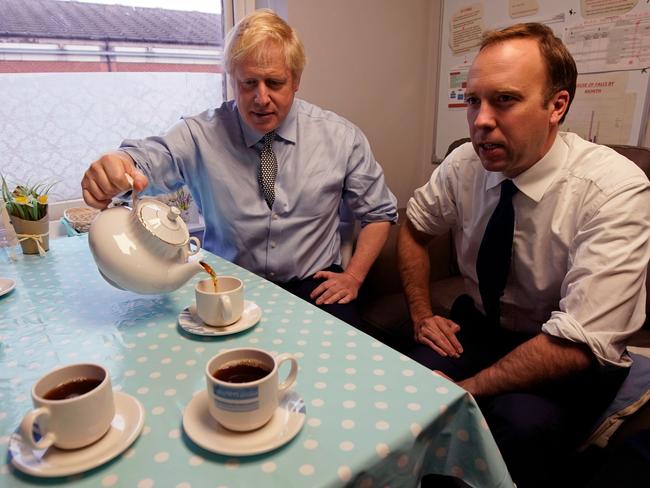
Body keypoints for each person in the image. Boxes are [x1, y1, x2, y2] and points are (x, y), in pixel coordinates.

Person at [398, 22, 650, 487]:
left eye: (505, 100)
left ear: (557, 105)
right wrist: (419, 312)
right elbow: (414, 228)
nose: (480, 121)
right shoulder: (464, 164)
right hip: (484, 324)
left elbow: (577, 341)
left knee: (517, 424)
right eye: (473, 100)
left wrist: (467, 390)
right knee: (406, 383)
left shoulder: (615, 189)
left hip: (568, 352)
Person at [81, 9, 397, 328]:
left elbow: (379, 213)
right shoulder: (199, 134)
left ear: (297, 80)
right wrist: (119, 166)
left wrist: (354, 276)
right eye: (248, 83)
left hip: (314, 287)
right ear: (232, 79)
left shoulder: (341, 138)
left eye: (274, 82)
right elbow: (145, 159)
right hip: (227, 283)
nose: (261, 98)